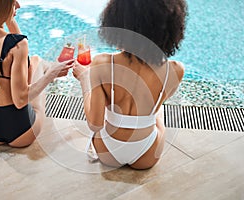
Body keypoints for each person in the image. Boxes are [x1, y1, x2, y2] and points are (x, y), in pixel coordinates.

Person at [73, 0, 187, 169]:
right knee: (158, 113)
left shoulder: (102, 63)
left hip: (108, 151)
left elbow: (94, 124)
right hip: (147, 154)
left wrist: (84, 79)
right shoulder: (176, 70)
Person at [0, 0, 73, 147]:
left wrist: (9, 17)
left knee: (34, 62)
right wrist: (50, 75)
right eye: (13, 2)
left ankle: (48, 67)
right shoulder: (18, 45)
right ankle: (49, 68)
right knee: (37, 67)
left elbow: (24, 62)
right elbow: (20, 100)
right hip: (21, 131)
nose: (18, 5)